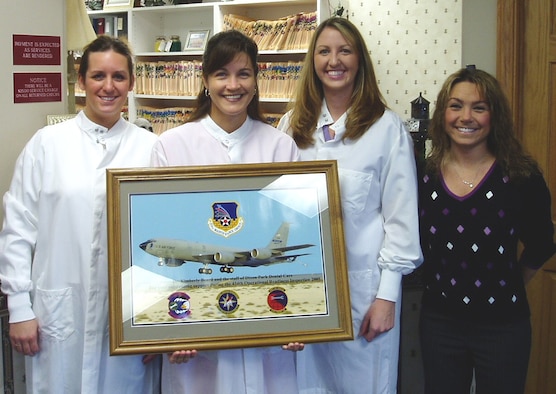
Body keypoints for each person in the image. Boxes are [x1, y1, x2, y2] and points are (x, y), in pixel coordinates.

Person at [0, 35, 160, 393]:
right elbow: (17, 229)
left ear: (132, 83)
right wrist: (19, 308)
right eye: (98, 76)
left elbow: (164, 237)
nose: (109, 86)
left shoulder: (151, 148)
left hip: (128, 320)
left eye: (119, 77)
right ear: (81, 80)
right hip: (57, 313)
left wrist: (157, 323)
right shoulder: (47, 144)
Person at [151, 30, 302, 394]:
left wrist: (302, 316)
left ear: (256, 80)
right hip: (194, 327)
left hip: (266, 321)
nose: (232, 85)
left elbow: (299, 235)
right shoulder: (171, 147)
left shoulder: (281, 148)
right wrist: (164, 327)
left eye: (243, 73)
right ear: (205, 81)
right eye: (221, 74)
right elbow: (159, 245)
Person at [278, 17, 423, 394]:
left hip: (364, 298)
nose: (334, 60)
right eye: (324, 51)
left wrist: (387, 297)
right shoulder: (292, 126)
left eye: (345, 50)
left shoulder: (386, 129)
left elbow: (401, 221)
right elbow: (275, 210)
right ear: (313, 61)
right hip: (302, 294)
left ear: (360, 60)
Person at [417, 67, 556, 393]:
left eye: (479, 107)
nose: (466, 117)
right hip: (439, 323)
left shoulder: (520, 175)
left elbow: (542, 243)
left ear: (495, 115)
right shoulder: (425, 175)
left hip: (504, 325)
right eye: (456, 106)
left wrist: (509, 283)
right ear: (443, 113)